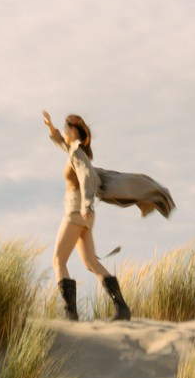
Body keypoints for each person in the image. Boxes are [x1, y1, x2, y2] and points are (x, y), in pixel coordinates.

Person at [42, 109, 132, 322]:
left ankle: (70, 313)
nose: (64, 131)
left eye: (66, 128)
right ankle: (122, 308)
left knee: (58, 260)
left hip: (76, 211)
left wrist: (86, 204)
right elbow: (60, 143)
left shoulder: (77, 153)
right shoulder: (75, 150)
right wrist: (50, 127)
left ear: (74, 131)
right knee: (90, 262)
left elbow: (86, 177)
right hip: (84, 215)